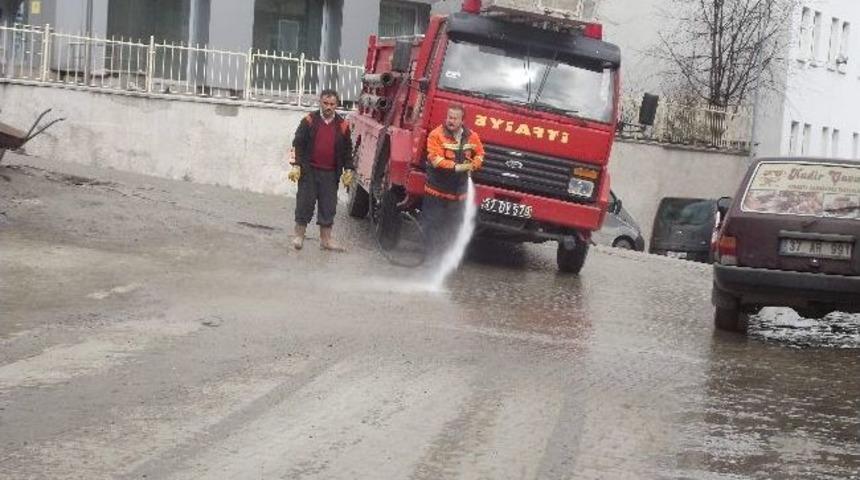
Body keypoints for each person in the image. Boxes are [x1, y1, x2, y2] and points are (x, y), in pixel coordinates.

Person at [287, 89, 355, 251]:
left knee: (328, 206)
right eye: (325, 103)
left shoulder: (343, 126)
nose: (328, 107)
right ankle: (299, 236)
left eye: (332, 104)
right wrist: (296, 164)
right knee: (305, 203)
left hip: (331, 174)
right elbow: (298, 143)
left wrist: (349, 169)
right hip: (309, 171)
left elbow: (347, 150)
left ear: (337, 105)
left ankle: (326, 240)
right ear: (320, 102)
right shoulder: (309, 121)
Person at [422, 103, 485, 257]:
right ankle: (430, 256)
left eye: (455, 118)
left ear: (462, 121)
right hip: (436, 191)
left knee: (453, 226)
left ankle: (446, 254)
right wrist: (457, 167)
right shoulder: (436, 135)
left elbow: (480, 153)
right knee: (432, 224)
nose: (451, 121)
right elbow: (435, 160)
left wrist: (476, 162)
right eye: (449, 117)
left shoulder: (472, 136)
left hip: (458, 194)